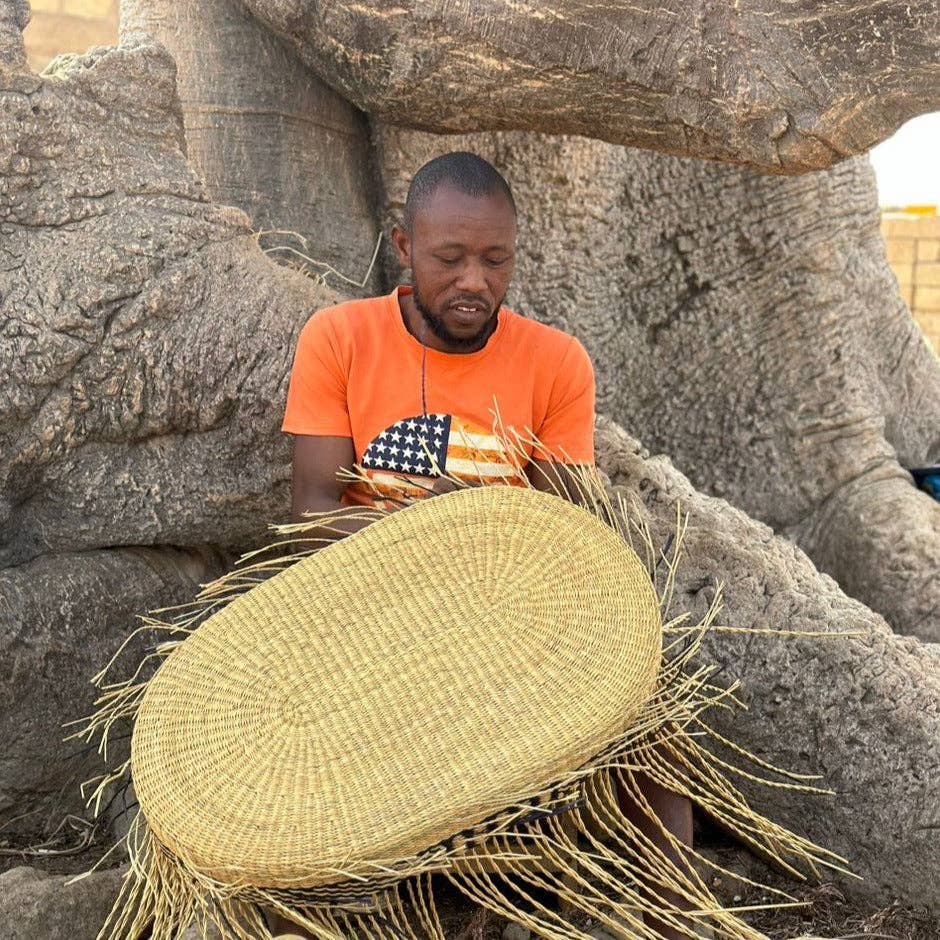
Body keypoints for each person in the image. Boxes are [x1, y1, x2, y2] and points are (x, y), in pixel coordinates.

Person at [276, 152, 694, 940]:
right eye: (450, 259)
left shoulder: (555, 361)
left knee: (654, 740)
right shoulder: (340, 337)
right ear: (404, 247)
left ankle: (669, 920)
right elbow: (311, 517)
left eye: (496, 260)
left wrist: (484, 546)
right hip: (366, 615)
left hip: (502, 615)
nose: (475, 281)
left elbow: (568, 531)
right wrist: (434, 530)